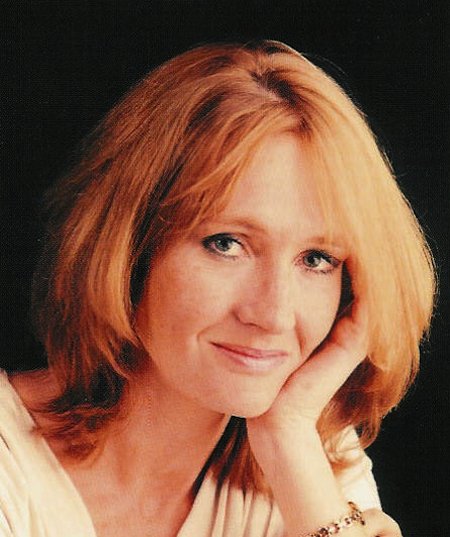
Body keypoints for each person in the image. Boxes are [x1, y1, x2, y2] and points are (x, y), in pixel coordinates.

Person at [0, 40, 434, 537]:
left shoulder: (311, 460)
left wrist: (288, 438)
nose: (273, 314)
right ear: (129, 248)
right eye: (226, 244)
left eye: (317, 259)